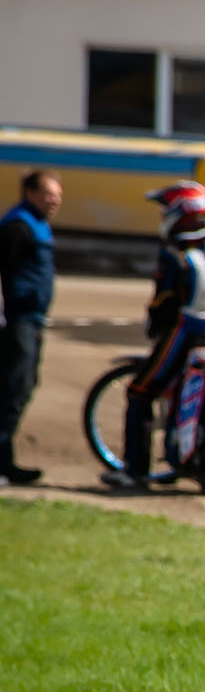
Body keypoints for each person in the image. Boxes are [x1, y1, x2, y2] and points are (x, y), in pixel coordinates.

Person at [101, 181, 205, 493]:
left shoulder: (176, 254)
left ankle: (135, 471)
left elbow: (164, 303)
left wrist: (153, 325)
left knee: (140, 391)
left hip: (184, 334)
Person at [0, 168, 61, 487]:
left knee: (21, 388)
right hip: (16, 320)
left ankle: (5, 462)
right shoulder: (18, 226)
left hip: (32, 319)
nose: (56, 200)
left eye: (58, 194)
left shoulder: (36, 224)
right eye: (50, 193)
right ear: (31, 193)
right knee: (10, 390)